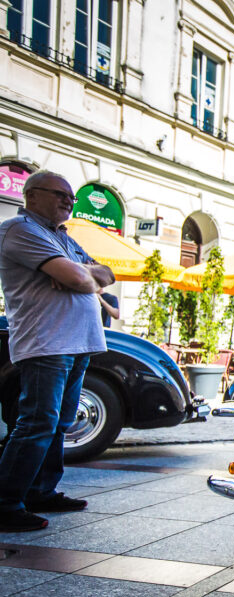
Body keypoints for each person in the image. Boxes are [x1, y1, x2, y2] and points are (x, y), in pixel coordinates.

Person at [0, 170, 115, 532]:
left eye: (71, 197)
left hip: (77, 343)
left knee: (61, 423)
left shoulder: (63, 238)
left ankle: (40, 490)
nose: (69, 201)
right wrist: (81, 276)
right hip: (46, 343)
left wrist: (79, 273)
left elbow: (106, 274)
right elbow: (83, 279)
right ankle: (5, 502)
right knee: (37, 423)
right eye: (60, 194)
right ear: (31, 195)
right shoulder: (20, 230)